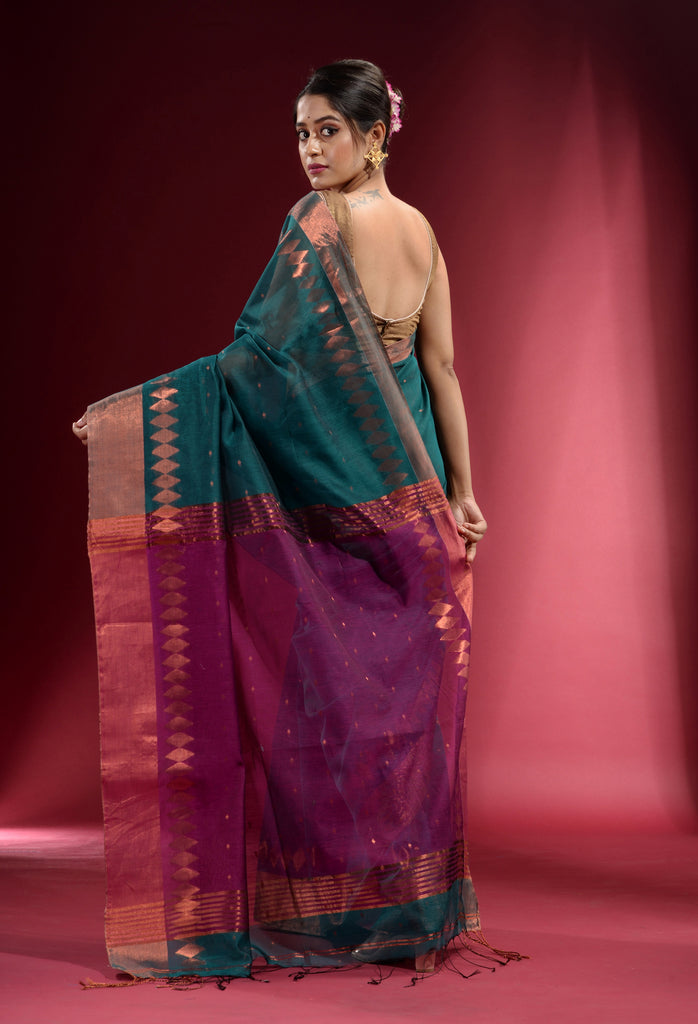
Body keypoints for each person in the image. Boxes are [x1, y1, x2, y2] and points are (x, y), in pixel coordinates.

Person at [74, 59, 514, 981]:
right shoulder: (422, 231)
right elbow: (438, 371)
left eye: (328, 131)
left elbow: (263, 362)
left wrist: (135, 416)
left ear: (375, 136)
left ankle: (331, 912)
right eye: (303, 132)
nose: (311, 150)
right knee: (398, 704)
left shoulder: (322, 224)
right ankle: (402, 910)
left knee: (325, 688)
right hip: (410, 484)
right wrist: (461, 492)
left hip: (335, 487)